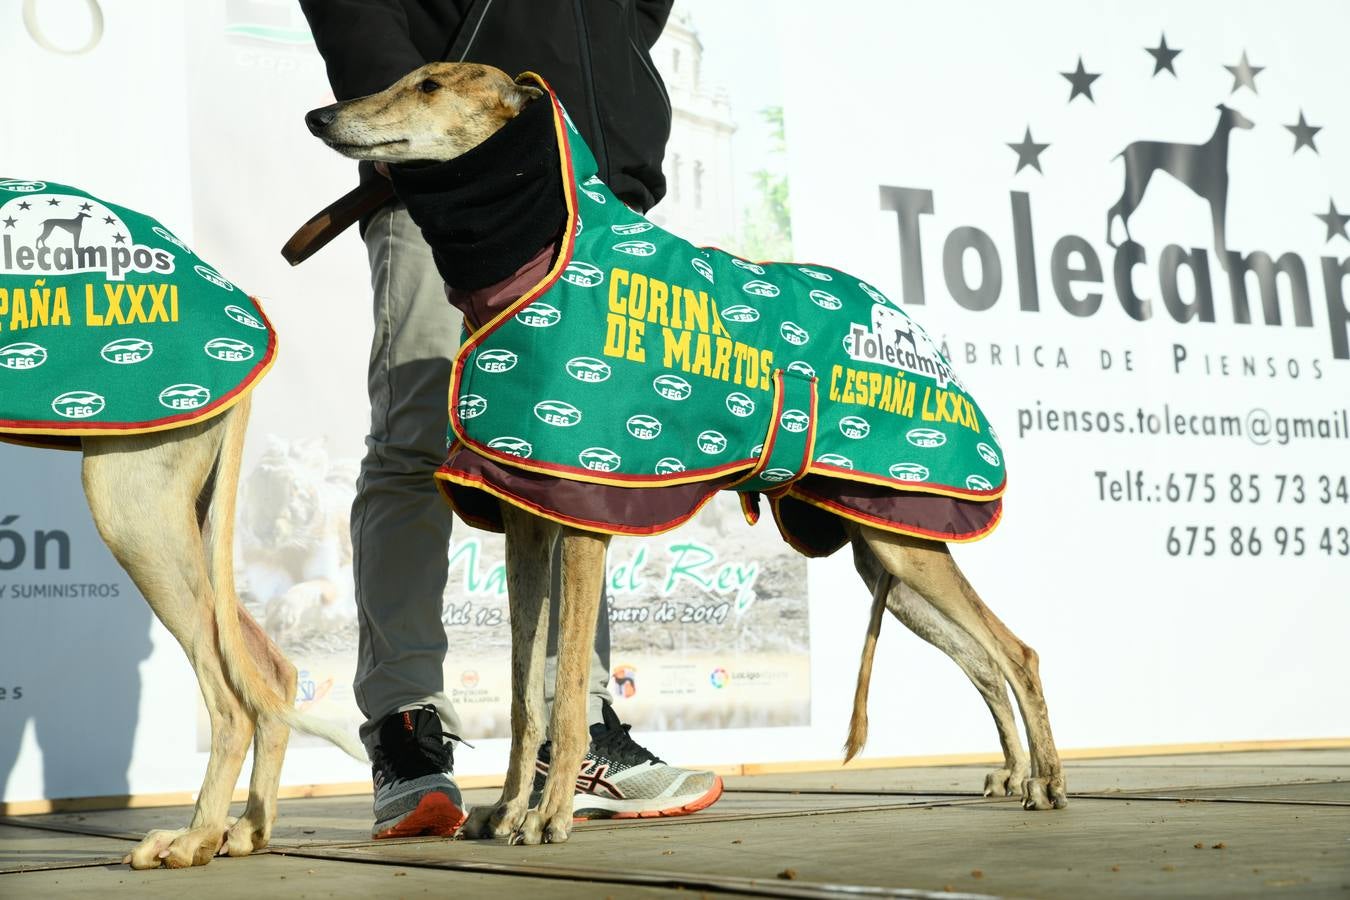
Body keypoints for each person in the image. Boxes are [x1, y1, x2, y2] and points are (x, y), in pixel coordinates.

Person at [298, 0, 722, 839]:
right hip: (447, 170)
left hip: (594, 189)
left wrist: (620, 85)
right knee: (418, 443)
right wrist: (411, 102)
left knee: (580, 457)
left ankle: (580, 728)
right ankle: (407, 734)